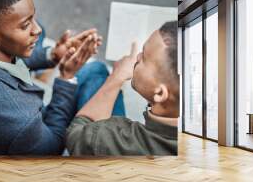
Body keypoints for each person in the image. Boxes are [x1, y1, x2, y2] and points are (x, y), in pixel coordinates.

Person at [0, 0, 105, 155]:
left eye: (33, 18)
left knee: (42, 31)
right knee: (97, 70)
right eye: (26, 25)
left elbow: (4, 51)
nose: (35, 29)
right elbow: (52, 146)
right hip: (34, 132)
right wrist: (66, 78)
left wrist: (52, 55)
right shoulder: (19, 118)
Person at [66, 21, 179, 156]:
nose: (137, 57)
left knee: (96, 71)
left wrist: (117, 77)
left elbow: (77, 133)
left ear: (160, 93)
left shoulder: (109, 139)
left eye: (143, 57)